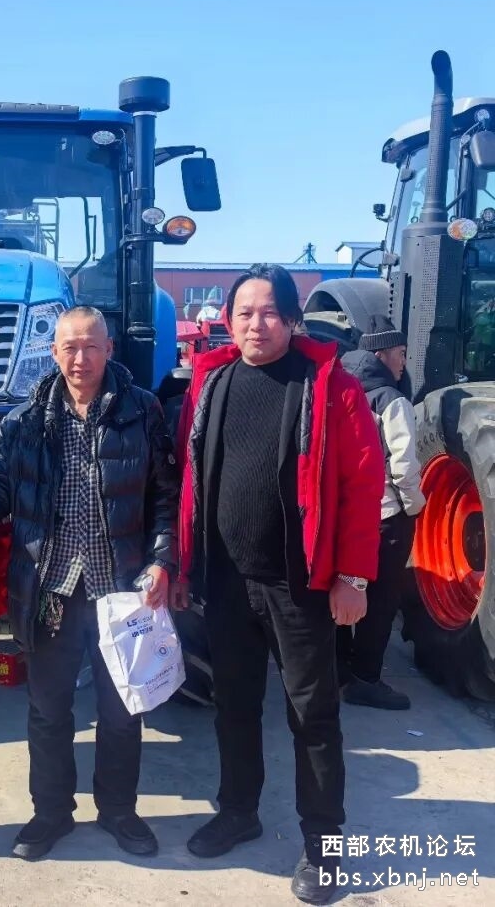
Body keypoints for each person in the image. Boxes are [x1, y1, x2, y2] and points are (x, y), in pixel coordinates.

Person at [0, 306, 182, 861]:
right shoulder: (25, 421)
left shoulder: (142, 411)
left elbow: (165, 495)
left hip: (120, 590)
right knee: (48, 711)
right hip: (51, 589)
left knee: (122, 711)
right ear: (53, 353)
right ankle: (50, 813)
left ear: (109, 349)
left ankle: (118, 810)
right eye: (70, 347)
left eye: (91, 346)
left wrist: (162, 560)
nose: (81, 358)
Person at [174, 264, 384, 905]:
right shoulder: (211, 382)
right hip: (225, 581)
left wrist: (352, 577)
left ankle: (323, 844)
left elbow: (362, 485)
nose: (256, 324)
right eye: (244, 312)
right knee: (233, 706)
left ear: (293, 320)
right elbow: (189, 480)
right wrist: (184, 566)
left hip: (300, 587)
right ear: (227, 320)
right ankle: (239, 811)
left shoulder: (331, 387)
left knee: (312, 715)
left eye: (269, 312)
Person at [338, 317, 426, 709]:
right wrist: (415, 506)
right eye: (400, 353)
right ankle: (366, 679)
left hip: (345, 516)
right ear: (380, 355)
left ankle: (338, 669)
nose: (404, 362)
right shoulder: (392, 400)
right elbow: (403, 466)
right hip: (386, 516)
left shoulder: (339, 390)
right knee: (380, 599)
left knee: (342, 590)